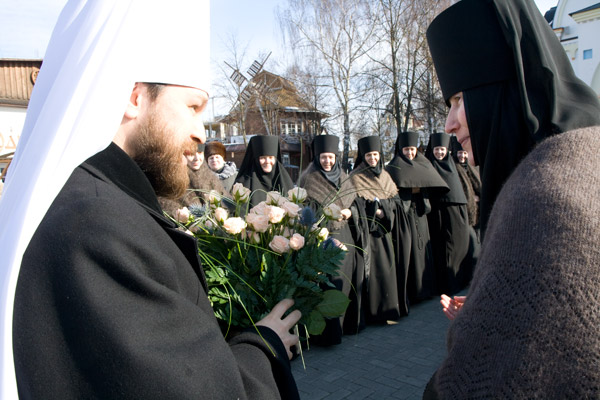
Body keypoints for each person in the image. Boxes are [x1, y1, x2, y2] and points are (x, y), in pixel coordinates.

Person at [3, 1, 302, 398]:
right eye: (192, 107)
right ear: (134, 98)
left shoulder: (97, 202)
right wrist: (263, 346)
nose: (200, 132)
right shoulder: (96, 226)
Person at [424, 0, 600, 397]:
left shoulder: (542, 193)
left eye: (458, 101)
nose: (449, 124)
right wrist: (492, 303)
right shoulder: (579, 158)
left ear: (496, 93)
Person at [297, 134, 360, 340]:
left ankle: (345, 326)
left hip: (346, 235)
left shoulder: (345, 178)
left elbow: (356, 203)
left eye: (331, 157)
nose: (327, 161)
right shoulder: (308, 179)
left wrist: (350, 212)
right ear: (317, 157)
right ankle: (329, 334)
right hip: (324, 238)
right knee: (328, 283)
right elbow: (306, 211)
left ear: (336, 157)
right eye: (323, 157)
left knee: (345, 280)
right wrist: (327, 214)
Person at [385, 131, 448, 309]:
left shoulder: (423, 163)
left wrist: (420, 190)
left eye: (412, 149)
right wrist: (410, 190)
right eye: (406, 149)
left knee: (423, 251)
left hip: (420, 213)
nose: (410, 153)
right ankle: (413, 292)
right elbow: (392, 193)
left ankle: (426, 289)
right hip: (405, 216)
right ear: (400, 149)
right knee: (411, 252)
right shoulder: (393, 168)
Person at [350, 136, 401, 323]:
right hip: (369, 234)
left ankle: (388, 310)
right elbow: (355, 204)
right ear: (363, 156)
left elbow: (395, 201)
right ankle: (374, 314)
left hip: (385, 232)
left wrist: (384, 210)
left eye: (375, 154)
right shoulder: (355, 177)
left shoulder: (385, 175)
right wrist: (373, 211)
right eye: (368, 155)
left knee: (387, 271)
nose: (372, 158)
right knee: (373, 273)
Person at [425, 132, 470, 295]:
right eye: (436, 149)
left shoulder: (454, 167)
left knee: (457, 247)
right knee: (441, 249)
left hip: (455, 214)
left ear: (447, 151)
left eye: (442, 149)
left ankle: (458, 281)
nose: (439, 152)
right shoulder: (427, 167)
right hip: (436, 214)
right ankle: (444, 285)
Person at [158, 142, 230, 219]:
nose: (197, 158)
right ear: (182, 155)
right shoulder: (172, 179)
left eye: (200, 153)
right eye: (191, 154)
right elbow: (167, 207)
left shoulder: (210, 176)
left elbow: (228, 203)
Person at [234, 135, 294, 208]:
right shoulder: (243, 183)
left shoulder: (285, 180)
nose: (267, 161)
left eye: (271, 157)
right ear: (256, 159)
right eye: (263, 158)